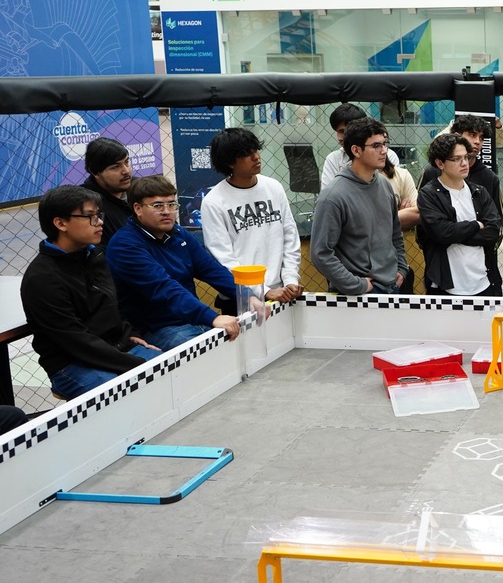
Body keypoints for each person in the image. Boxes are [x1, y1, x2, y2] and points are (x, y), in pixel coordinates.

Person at [20, 186, 161, 399]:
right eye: (90, 217)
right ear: (61, 223)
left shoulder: (94, 255)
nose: (100, 222)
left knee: (170, 373)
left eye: (99, 215)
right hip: (72, 362)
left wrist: (131, 333)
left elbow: (114, 304)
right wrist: (135, 364)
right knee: (124, 395)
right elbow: (76, 342)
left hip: (117, 347)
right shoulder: (41, 279)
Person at [105, 175, 240, 350]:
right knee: (211, 353)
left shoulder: (177, 232)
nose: (167, 211)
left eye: (171, 204)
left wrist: (250, 295)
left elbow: (210, 269)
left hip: (192, 319)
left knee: (236, 343)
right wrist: (212, 317)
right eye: (158, 206)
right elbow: (164, 288)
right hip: (158, 328)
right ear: (138, 208)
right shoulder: (124, 245)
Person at [201, 128, 304, 315]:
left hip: (281, 292)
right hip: (240, 297)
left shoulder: (273, 187)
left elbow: (290, 236)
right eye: (246, 154)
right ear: (229, 162)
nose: (256, 157)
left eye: (256, 150)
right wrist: (263, 290)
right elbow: (223, 258)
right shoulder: (213, 202)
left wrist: (290, 280)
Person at [310, 117, 410, 295]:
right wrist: (356, 285)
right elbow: (320, 253)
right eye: (376, 145)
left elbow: (395, 234)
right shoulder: (333, 196)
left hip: (392, 284)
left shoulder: (384, 185)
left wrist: (401, 267)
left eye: (384, 144)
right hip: (359, 294)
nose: (384, 151)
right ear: (356, 150)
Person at [416, 134, 502, 296]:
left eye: (466, 157)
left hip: (483, 281)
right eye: (456, 159)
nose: (464, 163)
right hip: (446, 285)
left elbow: (492, 232)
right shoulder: (429, 194)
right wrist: (476, 225)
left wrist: (454, 234)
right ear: (440, 163)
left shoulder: (479, 192)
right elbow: (441, 232)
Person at [81, 137, 134, 246]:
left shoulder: (140, 189)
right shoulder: (88, 205)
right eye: (115, 167)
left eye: (127, 162)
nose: (126, 171)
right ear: (95, 172)